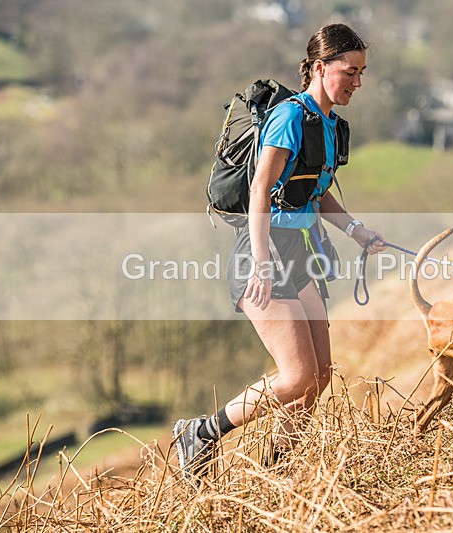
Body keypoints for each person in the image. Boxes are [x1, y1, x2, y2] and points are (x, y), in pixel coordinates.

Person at [173, 23, 385, 478]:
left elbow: (315, 192)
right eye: (350, 71)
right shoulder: (291, 116)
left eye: (362, 72)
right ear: (319, 67)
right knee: (295, 377)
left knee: (320, 376)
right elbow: (260, 191)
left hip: (301, 255)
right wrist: (262, 262)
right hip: (262, 252)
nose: (357, 82)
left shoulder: (330, 124)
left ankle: (280, 470)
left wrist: (357, 231)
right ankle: (202, 432)